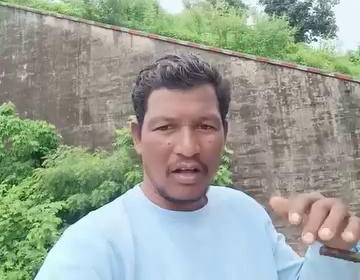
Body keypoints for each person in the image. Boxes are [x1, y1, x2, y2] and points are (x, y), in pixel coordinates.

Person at [36, 53, 360, 279]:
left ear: (224, 133)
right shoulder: (91, 247)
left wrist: (337, 250)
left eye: (205, 126)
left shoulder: (244, 211)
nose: (188, 148)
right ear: (137, 137)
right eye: (165, 128)